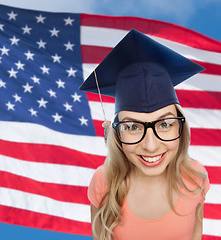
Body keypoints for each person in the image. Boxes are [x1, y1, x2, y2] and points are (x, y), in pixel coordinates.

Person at [79, 29, 210, 240]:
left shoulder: (195, 177)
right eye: (132, 127)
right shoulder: (104, 182)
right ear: (116, 134)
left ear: (181, 129)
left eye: (165, 124)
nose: (150, 146)